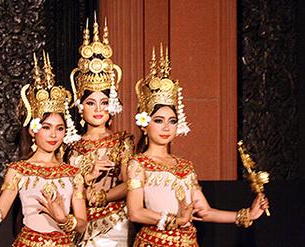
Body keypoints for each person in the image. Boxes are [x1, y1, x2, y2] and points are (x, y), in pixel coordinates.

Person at [126, 45, 270, 246]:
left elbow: (205, 211)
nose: (166, 127)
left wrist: (247, 215)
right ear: (144, 124)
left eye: (172, 121)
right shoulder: (138, 164)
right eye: (158, 120)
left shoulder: (185, 166)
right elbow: (135, 213)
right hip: (155, 242)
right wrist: (175, 221)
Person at [0, 52, 87, 246]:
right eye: (46, 127)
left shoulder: (73, 174)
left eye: (59, 128)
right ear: (33, 130)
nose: (53, 135)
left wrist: (63, 219)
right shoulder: (19, 170)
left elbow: (82, 224)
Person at [65, 15, 134, 246]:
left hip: (114, 223)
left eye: (103, 103)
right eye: (91, 103)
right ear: (80, 105)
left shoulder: (121, 141)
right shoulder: (70, 145)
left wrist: (102, 196)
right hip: (80, 222)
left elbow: (130, 183)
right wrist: (86, 181)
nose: (97, 109)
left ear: (111, 105)